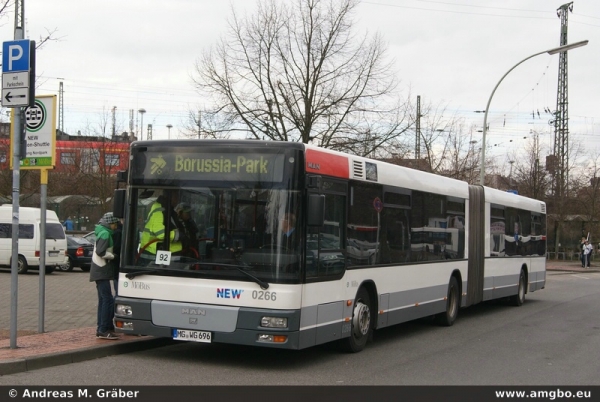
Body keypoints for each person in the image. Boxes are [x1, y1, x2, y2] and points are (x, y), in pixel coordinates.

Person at [89, 212, 119, 340]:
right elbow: (101, 251)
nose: (116, 226)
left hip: (98, 270)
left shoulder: (101, 231)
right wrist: (113, 256)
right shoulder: (106, 233)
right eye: (114, 223)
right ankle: (103, 329)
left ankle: (102, 327)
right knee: (108, 300)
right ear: (110, 223)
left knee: (103, 300)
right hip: (102, 270)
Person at [139, 191, 186, 262]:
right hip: (152, 256)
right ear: (170, 196)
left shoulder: (169, 209)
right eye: (176, 197)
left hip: (165, 253)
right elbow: (160, 233)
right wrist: (179, 235)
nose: (177, 200)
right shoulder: (159, 209)